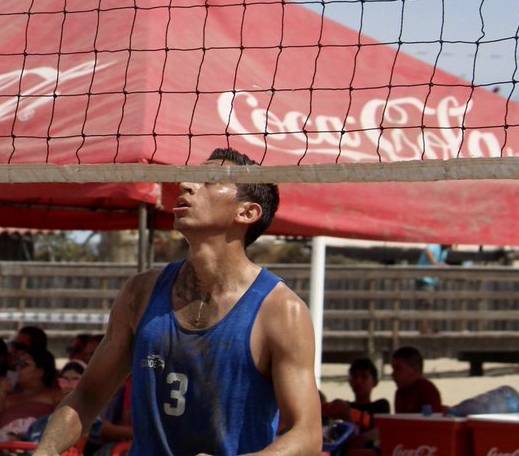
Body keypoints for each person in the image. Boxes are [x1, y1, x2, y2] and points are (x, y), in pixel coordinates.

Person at [35, 147, 321, 456]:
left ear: (247, 212)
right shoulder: (140, 292)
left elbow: (306, 436)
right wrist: (44, 452)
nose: (186, 184)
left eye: (209, 179)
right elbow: (88, 395)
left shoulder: (280, 310)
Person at [0, 345, 64, 448]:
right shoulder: (7, 398)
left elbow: (60, 428)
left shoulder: (55, 395)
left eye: (23, 364)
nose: (17, 368)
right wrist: (0, 396)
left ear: (40, 372)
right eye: (17, 364)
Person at [322, 357, 388, 447]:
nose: (358, 381)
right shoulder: (345, 406)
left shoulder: (381, 405)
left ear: (374, 382)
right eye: (355, 376)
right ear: (350, 381)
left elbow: (382, 431)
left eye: (364, 377)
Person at [390, 346, 443, 414]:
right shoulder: (400, 392)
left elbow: (431, 422)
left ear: (415, 370)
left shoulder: (427, 390)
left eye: (398, 369)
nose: (392, 374)